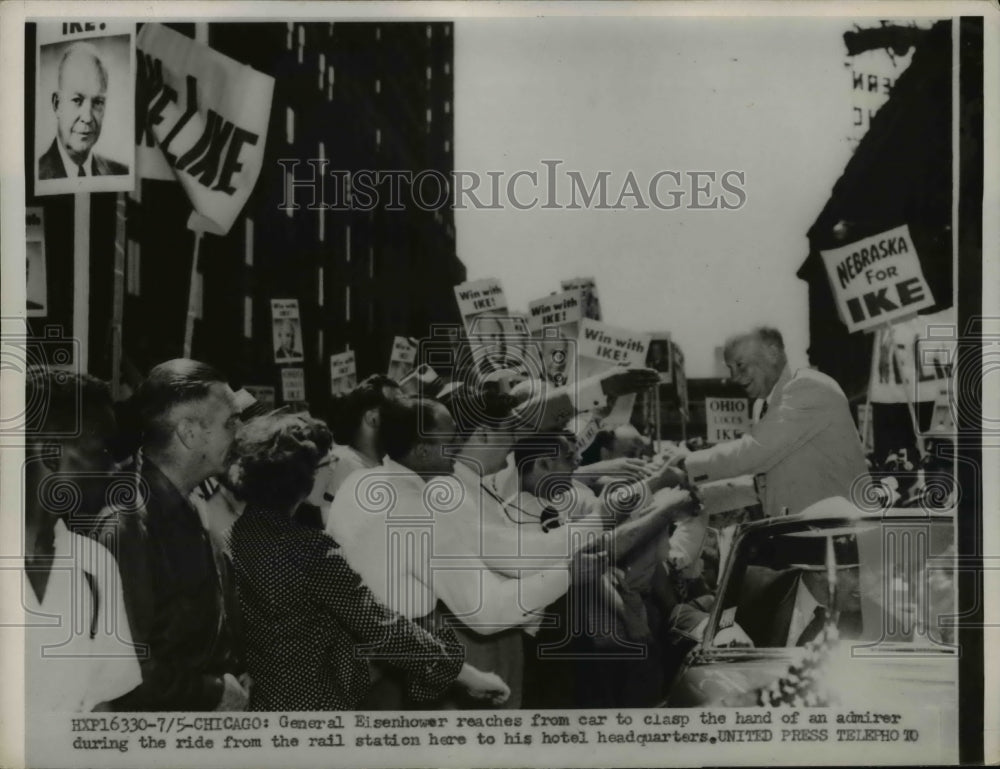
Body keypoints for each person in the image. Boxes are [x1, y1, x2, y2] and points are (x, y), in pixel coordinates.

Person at [224, 411, 509, 710]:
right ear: (299, 478)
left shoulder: (234, 535)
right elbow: (378, 625)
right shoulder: (311, 551)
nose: (335, 465)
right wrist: (464, 673)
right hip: (318, 709)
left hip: (261, 706)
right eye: (326, 461)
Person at [93, 359, 249, 711]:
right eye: (229, 423)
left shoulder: (192, 505)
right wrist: (213, 691)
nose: (238, 434)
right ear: (189, 433)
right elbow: (126, 673)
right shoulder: (127, 525)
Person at [23, 368, 142, 712]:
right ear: (50, 454)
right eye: (101, 451)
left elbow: (101, 705)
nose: (114, 468)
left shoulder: (96, 564)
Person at [676, 327, 870, 518]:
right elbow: (763, 487)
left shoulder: (809, 387)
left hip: (841, 534)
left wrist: (684, 465)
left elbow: (754, 451)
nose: (734, 377)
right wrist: (697, 500)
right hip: (806, 534)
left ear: (772, 353)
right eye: (730, 368)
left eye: (740, 365)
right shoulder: (763, 406)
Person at [38, 42, 127, 179]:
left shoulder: (121, 173)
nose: (87, 117)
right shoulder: (35, 176)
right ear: (57, 104)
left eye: (97, 102)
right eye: (77, 100)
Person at [322, 374, 401, 525]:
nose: (406, 417)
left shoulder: (386, 464)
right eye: (398, 408)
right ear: (372, 418)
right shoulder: (340, 464)